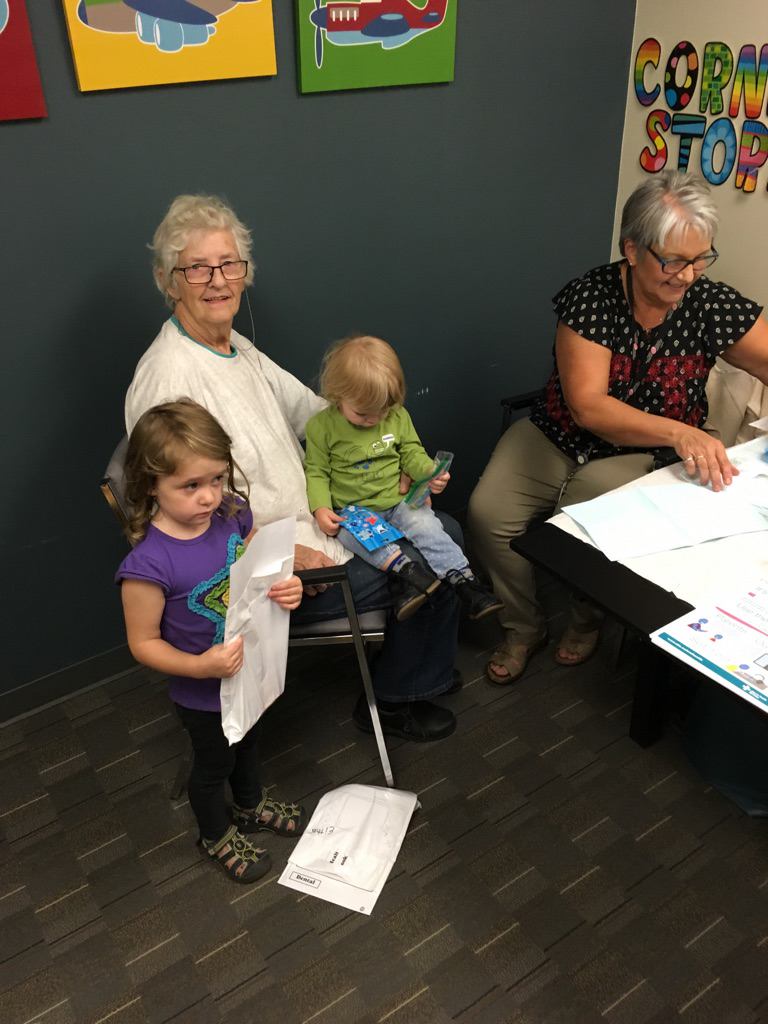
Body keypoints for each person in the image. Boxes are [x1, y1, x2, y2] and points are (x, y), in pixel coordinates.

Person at [125, 194, 461, 742]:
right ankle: (397, 698)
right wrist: (275, 552)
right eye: (197, 268)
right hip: (266, 568)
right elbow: (177, 514)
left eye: (229, 264)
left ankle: (419, 665)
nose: (218, 280)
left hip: (317, 521)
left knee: (444, 530)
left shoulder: (234, 347)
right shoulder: (168, 377)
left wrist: (384, 458)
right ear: (168, 281)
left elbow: (318, 417)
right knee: (432, 562)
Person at [468, 170, 768, 685]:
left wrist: (675, 436)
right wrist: (681, 432)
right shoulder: (591, 297)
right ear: (632, 249)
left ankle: (586, 620)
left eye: (701, 258)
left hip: (639, 452)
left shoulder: (711, 304)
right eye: (673, 260)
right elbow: (589, 407)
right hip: (556, 435)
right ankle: (523, 626)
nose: (687, 275)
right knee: (487, 514)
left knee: (589, 526)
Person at [116, 400, 306, 884]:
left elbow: (258, 565)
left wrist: (285, 586)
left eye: (217, 479)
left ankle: (249, 804)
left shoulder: (231, 513)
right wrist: (200, 667)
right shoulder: (148, 565)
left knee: (250, 741)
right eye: (191, 486)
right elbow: (143, 643)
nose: (209, 496)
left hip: (248, 668)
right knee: (214, 763)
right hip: (201, 691)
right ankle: (214, 834)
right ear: (151, 483)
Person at [305, 334, 503, 622]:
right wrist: (321, 507)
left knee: (427, 525)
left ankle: (465, 581)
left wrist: (429, 472)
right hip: (355, 509)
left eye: (382, 411)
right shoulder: (321, 427)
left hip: (398, 500)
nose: (373, 420)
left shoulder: (397, 416)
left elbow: (411, 452)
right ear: (337, 395)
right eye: (362, 414)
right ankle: (409, 573)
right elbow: (317, 471)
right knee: (347, 535)